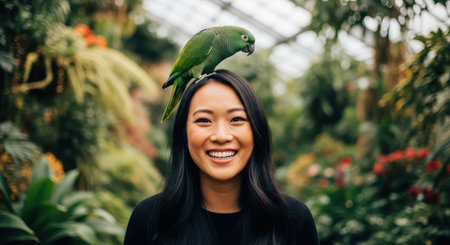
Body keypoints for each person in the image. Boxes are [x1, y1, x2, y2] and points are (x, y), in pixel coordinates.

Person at [124, 70, 319, 245]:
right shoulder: (149, 220)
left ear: (256, 132)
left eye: (236, 119)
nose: (221, 136)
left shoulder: (294, 221)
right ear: (184, 134)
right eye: (204, 120)